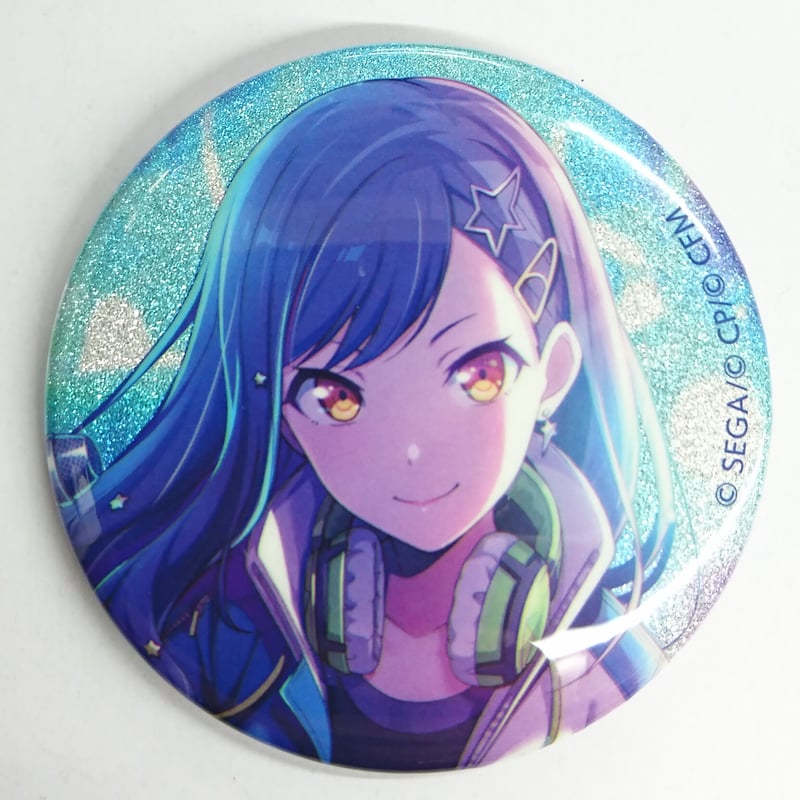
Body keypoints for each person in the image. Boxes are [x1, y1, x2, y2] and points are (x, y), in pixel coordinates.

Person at [48, 77, 675, 770]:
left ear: (552, 373)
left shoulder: (604, 672)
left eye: (479, 375)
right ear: (282, 415)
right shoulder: (212, 629)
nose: (411, 449)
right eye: (335, 396)